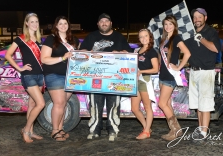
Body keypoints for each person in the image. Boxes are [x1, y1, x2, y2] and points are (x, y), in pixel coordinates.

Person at [79, 13, 132, 141]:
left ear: (111, 23)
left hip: (115, 77)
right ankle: (95, 129)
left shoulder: (119, 37)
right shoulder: (91, 36)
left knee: (114, 104)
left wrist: (119, 53)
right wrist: (90, 52)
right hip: (95, 77)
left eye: (106, 21)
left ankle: (112, 129)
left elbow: (129, 52)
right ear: (98, 24)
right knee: (95, 104)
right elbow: (82, 51)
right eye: (101, 21)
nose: (104, 23)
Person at [5, 13, 45, 143]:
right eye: (32, 21)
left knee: (32, 104)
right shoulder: (21, 39)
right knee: (41, 104)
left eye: (36, 21)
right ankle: (26, 129)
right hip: (29, 76)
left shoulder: (39, 40)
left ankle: (31, 132)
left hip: (40, 75)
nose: (34, 24)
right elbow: (8, 55)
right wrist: (20, 68)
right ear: (26, 23)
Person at [184, 8, 221, 143]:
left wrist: (201, 39)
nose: (197, 19)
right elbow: (182, 47)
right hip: (193, 72)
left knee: (205, 103)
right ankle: (200, 129)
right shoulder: (190, 33)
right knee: (198, 104)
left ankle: (204, 133)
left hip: (206, 72)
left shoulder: (211, 32)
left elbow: (216, 48)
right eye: (195, 17)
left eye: (200, 17)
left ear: (205, 18)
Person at [41, 16, 79, 141]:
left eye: (65, 23)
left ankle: (61, 128)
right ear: (56, 26)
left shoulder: (74, 40)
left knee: (64, 104)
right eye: (60, 23)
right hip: (54, 75)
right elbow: (44, 59)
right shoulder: (51, 39)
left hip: (70, 76)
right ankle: (54, 131)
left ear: (69, 25)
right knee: (59, 103)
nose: (63, 25)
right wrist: (62, 58)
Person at [158, 15, 191, 141]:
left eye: (170, 24)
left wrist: (179, 67)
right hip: (162, 75)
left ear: (174, 25)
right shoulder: (164, 39)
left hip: (170, 76)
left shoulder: (176, 38)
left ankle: (177, 130)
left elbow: (187, 53)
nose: (167, 26)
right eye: (165, 24)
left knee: (162, 103)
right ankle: (174, 130)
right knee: (167, 103)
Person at [131, 29, 159, 139]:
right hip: (136, 81)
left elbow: (155, 69)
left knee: (147, 107)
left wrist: (141, 71)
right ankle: (146, 127)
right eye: (141, 36)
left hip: (145, 80)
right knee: (134, 108)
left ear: (150, 37)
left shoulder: (151, 51)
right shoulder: (137, 51)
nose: (143, 38)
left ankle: (146, 131)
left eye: (145, 36)